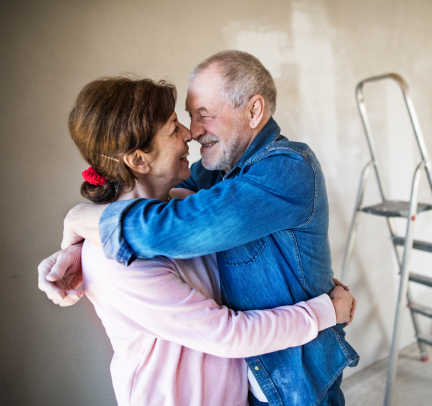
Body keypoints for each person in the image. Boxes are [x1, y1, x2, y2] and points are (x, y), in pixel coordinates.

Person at [38, 50, 359, 406]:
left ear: (254, 111)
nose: (192, 132)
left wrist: (81, 219)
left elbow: (178, 225)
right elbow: (168, 215)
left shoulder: (286, 167)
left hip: (294, 383)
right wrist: (78, 240)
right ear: (138, 159)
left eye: (203, 115)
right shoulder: (210, 176)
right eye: (184, 121)